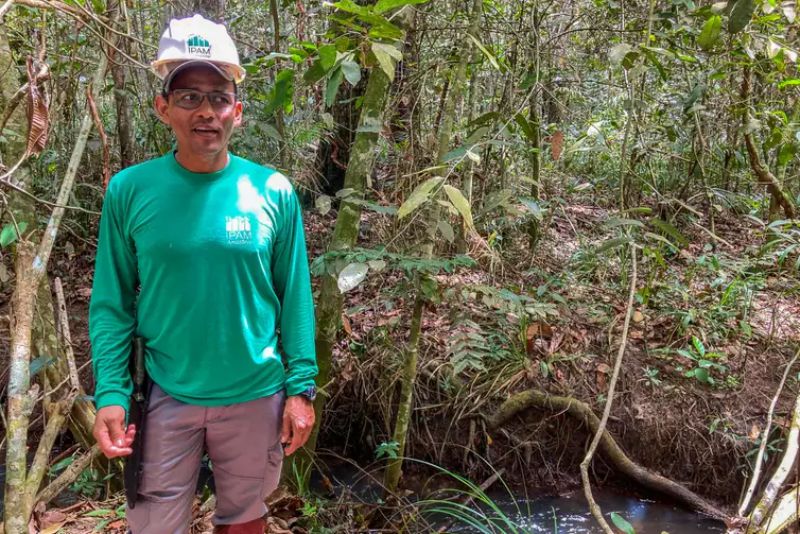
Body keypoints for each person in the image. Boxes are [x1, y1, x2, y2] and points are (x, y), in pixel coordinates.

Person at [89, 14, 318, 534]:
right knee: (152, 523)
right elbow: (111, 302)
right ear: (163, 108)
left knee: (245, 518)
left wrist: (301, 389)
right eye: (189, 97)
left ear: (237, 111)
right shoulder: (131, 190)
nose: (206, 111)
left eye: (218, 97)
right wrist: (111, 393)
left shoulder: (272, 191)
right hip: (168, 391)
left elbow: (295, 297)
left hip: (258, 392)